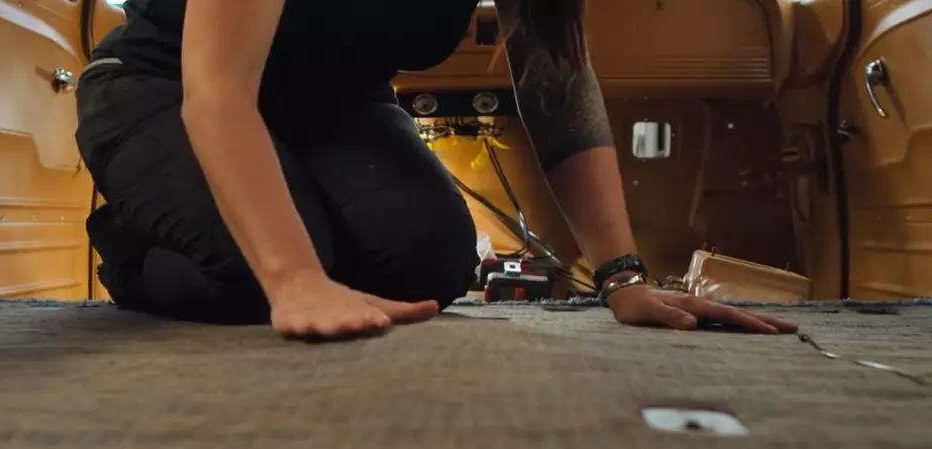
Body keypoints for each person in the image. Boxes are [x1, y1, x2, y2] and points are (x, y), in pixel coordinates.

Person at [75, 0, 798, 339]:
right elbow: (219, 88)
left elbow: (556, 80)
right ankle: (134, 244)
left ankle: (291, 239)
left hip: (334, 108)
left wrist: (622, 278)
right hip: (169, 87)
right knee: (249, 274)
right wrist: (293, 276)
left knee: (426, 263)